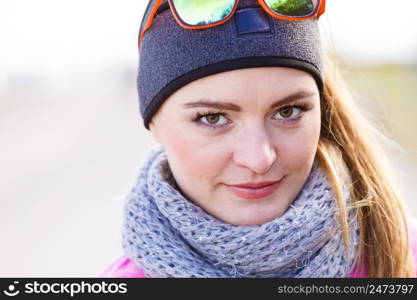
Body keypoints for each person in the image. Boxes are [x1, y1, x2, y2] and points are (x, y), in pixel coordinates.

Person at [101, 0, 417, 278]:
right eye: (213, 118)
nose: (259, 158)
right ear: (154, 123)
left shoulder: (402, 256)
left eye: (289, 111)